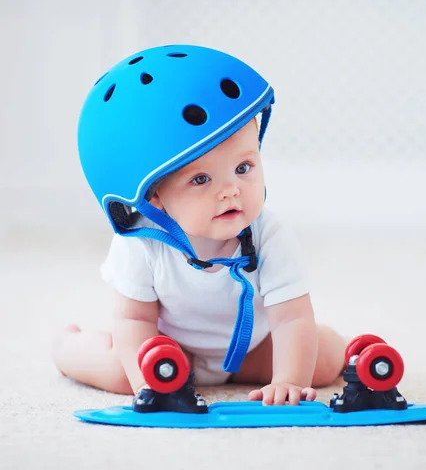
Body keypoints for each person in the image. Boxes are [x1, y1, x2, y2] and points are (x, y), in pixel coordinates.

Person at [52, 44, 347, 407]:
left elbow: (291, 318)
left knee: (327, 356)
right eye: (201, 179)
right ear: (153, 196)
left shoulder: (269, 234)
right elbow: (133, 320)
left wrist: (288, 381)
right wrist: (147, 384)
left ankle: (302, 361)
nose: (231, 191)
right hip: (172, 354)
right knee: (120, 371)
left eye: (243, 168)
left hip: (252, 351)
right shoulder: (143, 242)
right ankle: (67, 347)